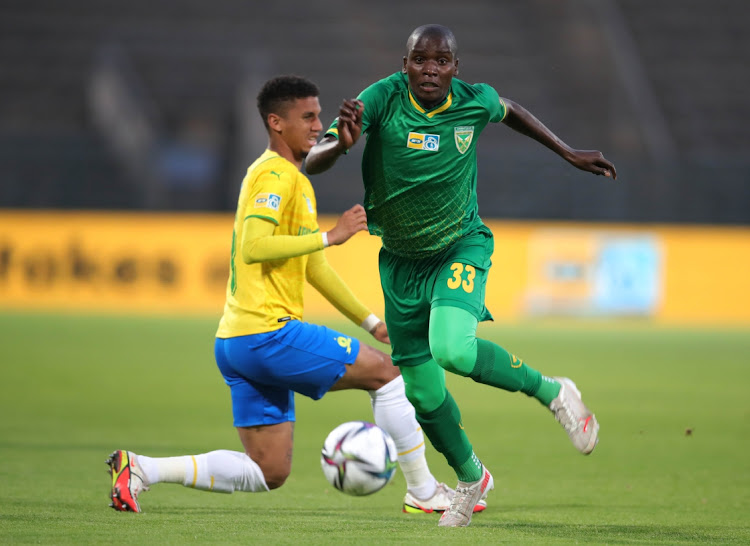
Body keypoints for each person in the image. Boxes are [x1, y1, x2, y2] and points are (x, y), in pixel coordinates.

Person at [106, 75, 490, 516]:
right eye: (307, 117)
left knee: (268, 471)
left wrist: (371, 322)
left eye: (319, 115)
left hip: (236, 343)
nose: (317, 125)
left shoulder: (292, 179)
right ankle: (423, 491)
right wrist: (330, 235)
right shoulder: (274, 175)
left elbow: (313, 268)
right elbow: (254, 246)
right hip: (267, 334)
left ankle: (141, 470)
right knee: (387, 375)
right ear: (276, 123)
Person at [305, 24, 617, 528]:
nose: (430, 69)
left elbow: (510, 109)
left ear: (456, 67)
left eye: (441, 60)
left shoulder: (474, 102)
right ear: (403, 64)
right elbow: (312, 161)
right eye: (420, 60)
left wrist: (566, 151)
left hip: (459, 245)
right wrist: (340, 145)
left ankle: (553, 392)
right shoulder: (380, 99)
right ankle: (471, 480)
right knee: (423, 394)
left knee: (453, 349)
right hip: (401, 264)